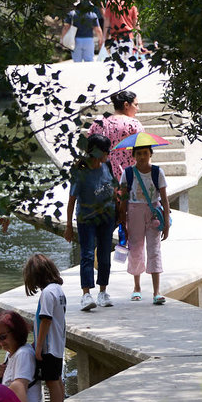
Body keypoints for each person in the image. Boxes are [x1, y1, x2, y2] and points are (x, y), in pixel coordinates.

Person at [64, 133, 116, 311]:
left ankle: (103, 292)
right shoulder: (80, 172)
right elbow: (71, 200)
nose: (107, 154)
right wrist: (69, 226)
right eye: (105, 151)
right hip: (87, 219)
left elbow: (113, 188)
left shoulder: (107, 165)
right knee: (86, 254)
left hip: (107, 217)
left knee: (104, 255)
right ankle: (86, 294)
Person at [119, 145, 170, 305]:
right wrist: (122, 221)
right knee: (135, 248)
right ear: (134, 155)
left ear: (151, 154)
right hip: (134, 211)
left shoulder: (157, 172)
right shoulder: (127, 173)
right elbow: (123, 198)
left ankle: (157, 292)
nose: (142, 157)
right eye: (139, 153)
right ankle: (137, 287)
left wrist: (167, 222)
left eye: (145, 153)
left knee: (154, 249)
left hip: (154, 212)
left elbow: (164, 198)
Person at [23, 253, 67, 402]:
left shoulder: (47, 293)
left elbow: (46, 319)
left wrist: (38, 346)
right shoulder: (57, 290)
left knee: (51, 382)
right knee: (56, 380)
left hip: (49, 346)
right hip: (57, 343)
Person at [88, 90, 143, 182]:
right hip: (128, 178)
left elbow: (88, 147)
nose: (138, 108)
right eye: (136, 105)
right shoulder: (133, 124)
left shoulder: (98, 122)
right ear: (126, 105)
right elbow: (143, 152)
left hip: (101, 178)